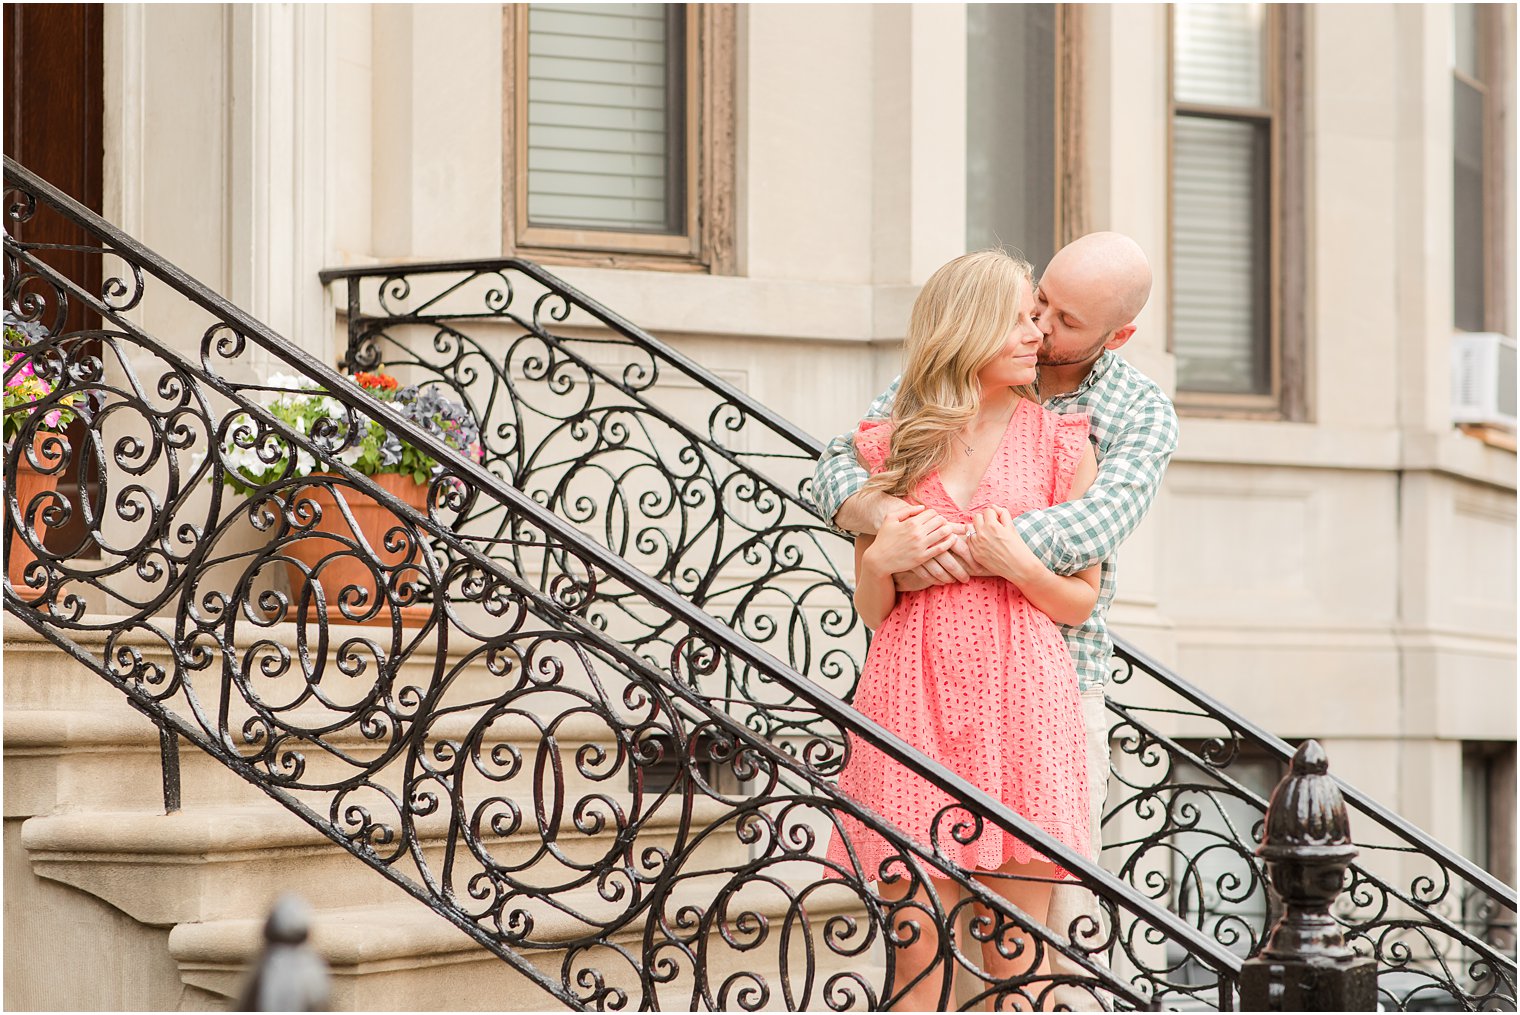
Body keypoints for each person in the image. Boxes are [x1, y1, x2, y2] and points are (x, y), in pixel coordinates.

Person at [813, 232, 1177, 1010]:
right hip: (912, 704)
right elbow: (849, 526)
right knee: (917, 965)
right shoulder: (903, 430)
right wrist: (884, 547)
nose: (1039, 329)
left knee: (1022, 966)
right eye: (1029, 308)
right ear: (974, 327)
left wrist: (991, 554)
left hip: (1034, 700)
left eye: (1056, 317)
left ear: (1116, 335)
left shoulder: (1098, 427)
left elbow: (1088, 553)